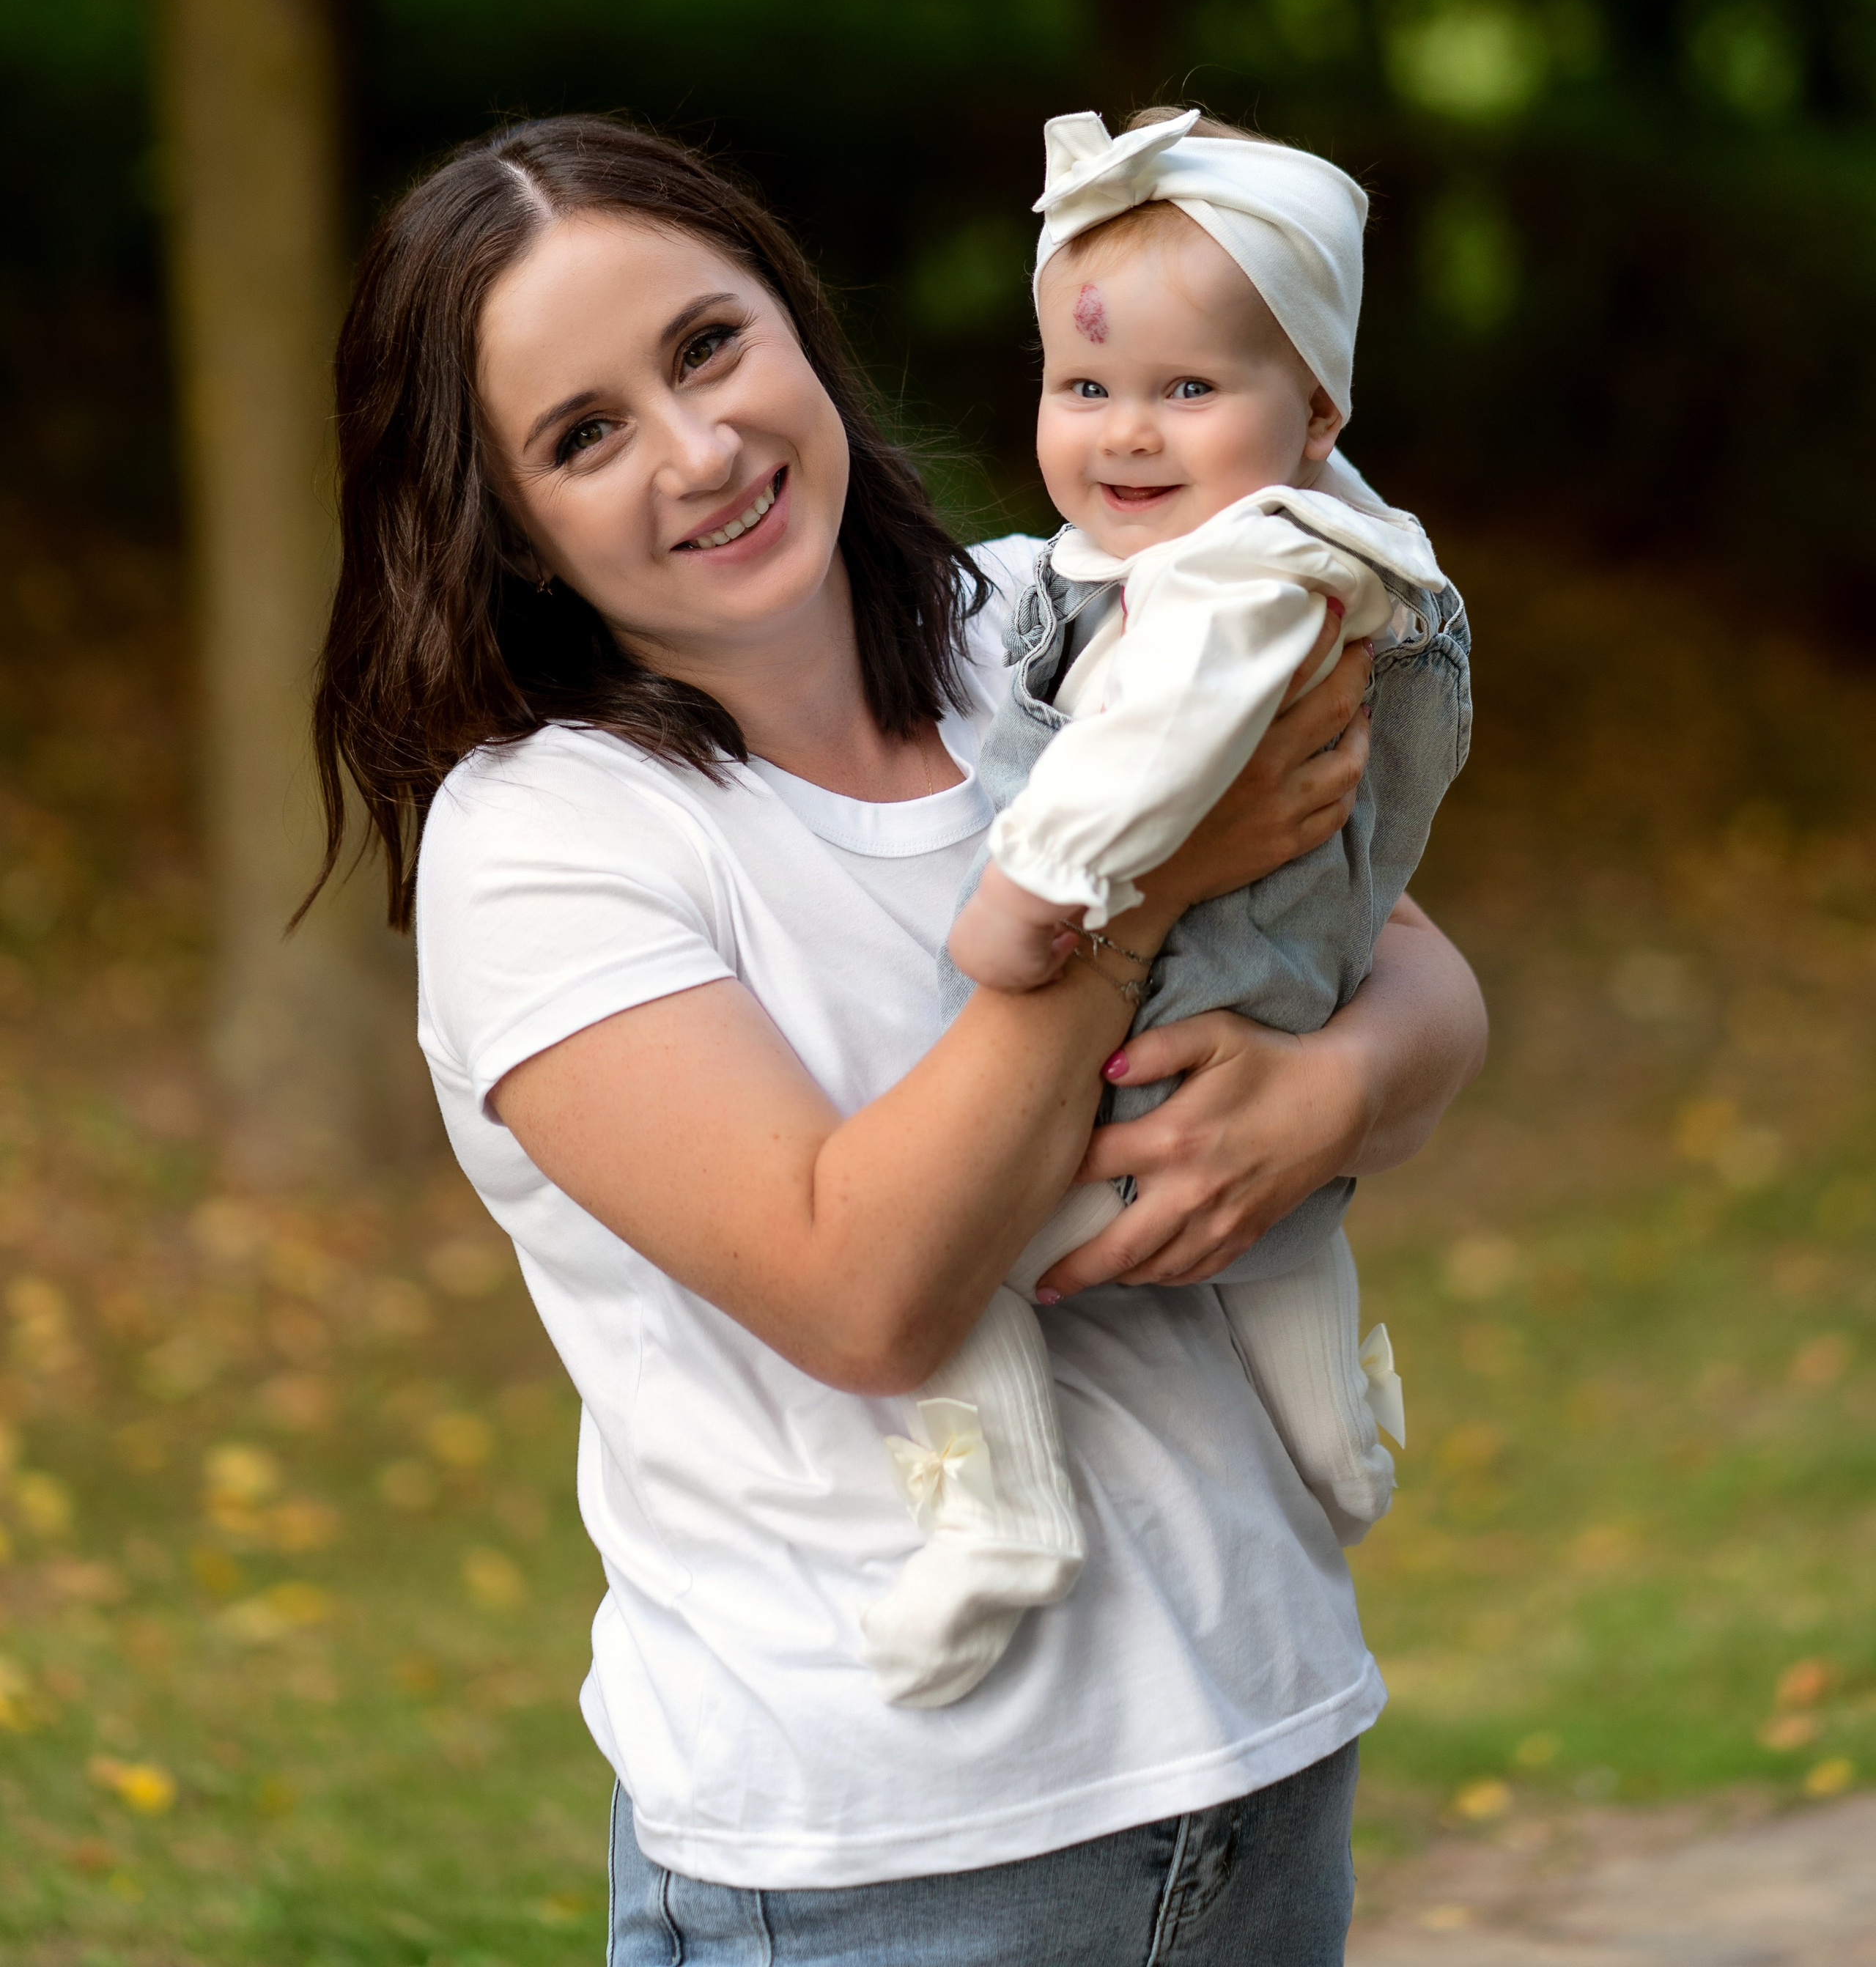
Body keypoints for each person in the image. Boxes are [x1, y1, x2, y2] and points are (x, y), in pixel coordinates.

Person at [307, 114, 1486, 1966]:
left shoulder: (1040, 621)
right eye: (584, 435)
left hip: (1259, 1756)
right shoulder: (548, 839)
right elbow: (860, 1290)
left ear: (793, 324)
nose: (698, 452)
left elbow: (1408, 965)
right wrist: (1140, 904)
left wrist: (1328, 1090)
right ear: (507, 524)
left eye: (708, 346)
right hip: (881, 1862)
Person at [861, 106, 1470, 1714]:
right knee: (1275, 1227)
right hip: (1277, 1005)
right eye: (1085, 390)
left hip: (1146, 1012)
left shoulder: (1231, 582)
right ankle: (1338, 1442)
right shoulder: (1332, 548)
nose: (1124, 437)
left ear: (1316, 408)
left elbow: (1153, 744)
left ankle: (999, 1516)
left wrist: (1031, 893)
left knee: (962, 1239)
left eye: (1185, 393)